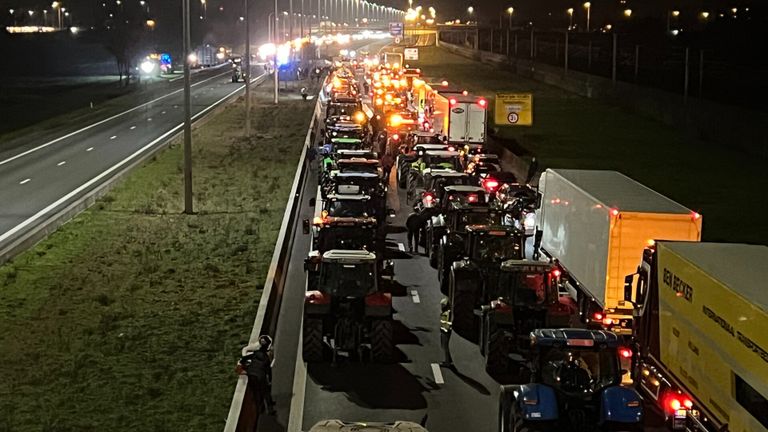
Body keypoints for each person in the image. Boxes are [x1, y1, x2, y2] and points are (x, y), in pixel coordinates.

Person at [239, 335, 276, 415]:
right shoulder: (266, 358)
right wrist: (270, 380)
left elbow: (243, 359)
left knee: (256, 392)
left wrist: (244, 364)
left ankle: (260, 409)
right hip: (260, 376)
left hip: (251, 374)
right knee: (266, 392)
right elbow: (268, 371)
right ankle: (270, 409)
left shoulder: (255, 353)